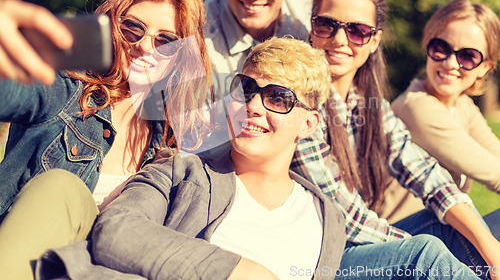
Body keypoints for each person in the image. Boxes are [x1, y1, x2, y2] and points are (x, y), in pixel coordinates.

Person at [35, 37, 345, 280]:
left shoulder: (328, 219)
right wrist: (240, 272)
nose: (253, 107)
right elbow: (117, 231)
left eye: (278, 98)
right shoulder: (180, 170)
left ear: (309, 123)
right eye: (245, 89)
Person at [0, 0, 212, 280]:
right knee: (60, 186)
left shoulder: (172, 142)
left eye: (165, 40)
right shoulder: (64, 92)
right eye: (132, 28)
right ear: (112, 26)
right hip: (25, 262)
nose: (144, 46)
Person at [291, 0, 500, 280]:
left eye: (357, 31)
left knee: (468, 236)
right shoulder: (300, 104)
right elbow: (344, 219)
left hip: (376, 239)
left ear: (374, 40)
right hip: (326, 257)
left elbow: (427, 175)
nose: (338, 40)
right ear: (312, 27)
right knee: (426, 252)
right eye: (327, 25)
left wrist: (489, 246)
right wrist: (428, 248)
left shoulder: (369, 105)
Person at [392, 0, 500, 194]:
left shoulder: (462, 106)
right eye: (441, 48)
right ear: (427, 45)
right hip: (403, 224)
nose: (450, 63)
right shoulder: (416, 106)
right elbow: (495, 174)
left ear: (484, 68)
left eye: (468, 56)